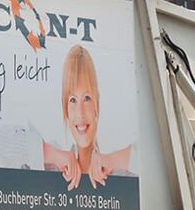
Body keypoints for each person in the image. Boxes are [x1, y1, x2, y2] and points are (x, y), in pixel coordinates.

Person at [40, 45, 133, 190]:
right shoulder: (51, 165)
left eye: (87, 98)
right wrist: (55, 155)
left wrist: (112, 160)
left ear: (97, 102)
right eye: (72, 100)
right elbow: (3, 139)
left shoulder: (119, 171)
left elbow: (150, 156)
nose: (80, 113)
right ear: (65, 110)